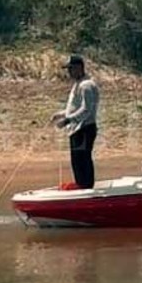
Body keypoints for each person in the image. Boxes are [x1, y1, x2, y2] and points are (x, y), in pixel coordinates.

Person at [52, 54, 100, 189]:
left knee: (82, 159)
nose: (69, 72)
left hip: (84, 128)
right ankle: (81, 184)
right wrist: (60, 114)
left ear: (79, 68)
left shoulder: (86, 85)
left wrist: (68, 120)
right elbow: (75, 107)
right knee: (76, 159)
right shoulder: (78, 84)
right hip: (77, 128)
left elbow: (87, 109)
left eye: (71, 69)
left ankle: (85, 186)